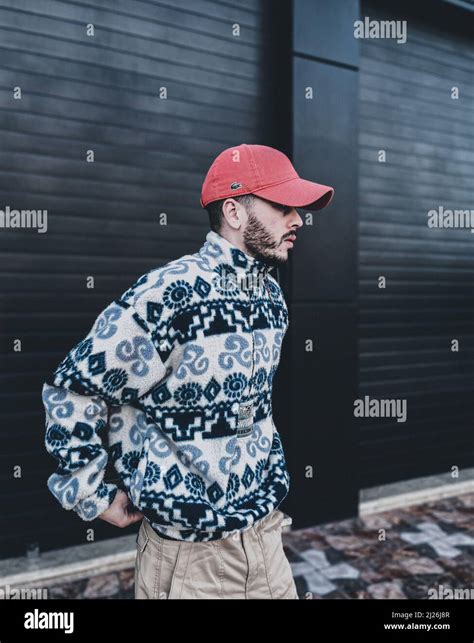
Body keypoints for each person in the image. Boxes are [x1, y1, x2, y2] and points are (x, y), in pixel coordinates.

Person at [42, 143, 334, 599]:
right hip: (190, 562)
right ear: (235, 212)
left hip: (266, 541)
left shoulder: (272, 299)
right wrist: (91, 494)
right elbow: (73, 391)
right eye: (283, 206)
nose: (298, 219)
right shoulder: (169, 295)